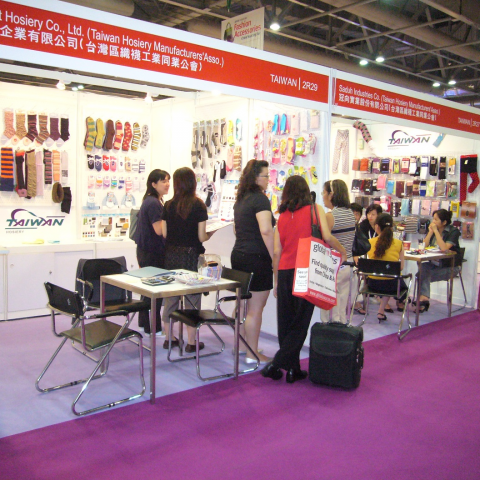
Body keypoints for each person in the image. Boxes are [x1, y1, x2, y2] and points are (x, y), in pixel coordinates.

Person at [262, 176, 347, 383]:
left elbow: (277, 252)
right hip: (306, 270)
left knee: (286, 321)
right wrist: (342, 251)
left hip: (284, 272)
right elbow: (327, 237)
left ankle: (293, 369)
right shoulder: (315, 210)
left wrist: (276, 281)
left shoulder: (281, 216)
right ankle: (277, 364)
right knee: (300, 321)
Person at [161, 167, 214, 352]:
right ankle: (192, 342)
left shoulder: (168, 205)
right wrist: (211, 233)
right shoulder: (199, 205)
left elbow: (165, 234)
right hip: (191, 256)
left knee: (171, 298)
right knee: (192, 299)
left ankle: (169, 339)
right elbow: (201, 237)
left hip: (171, 256)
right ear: (193, 183)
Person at [231, 159, 274, 365]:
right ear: (256, 178)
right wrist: (275, 256)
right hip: (257, 257)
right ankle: (252, 353)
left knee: (242, 305)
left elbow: (236, 229)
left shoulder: (241, 199)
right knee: (255, 308)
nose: (268, 179)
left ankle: (241, 346)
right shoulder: (260, 200)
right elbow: (266, 230)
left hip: (239, 254)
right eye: (266, 176)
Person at [133, 169, 170, 336]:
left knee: (147, 290)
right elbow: (159, 230)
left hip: (146, 251)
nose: (167, 184)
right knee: (155, 290)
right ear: (153, 184)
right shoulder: (154, 203)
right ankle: (154, 328)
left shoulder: (150, 200)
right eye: (163, 181)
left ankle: (144, 323)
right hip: (152, 253)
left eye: (168, 181)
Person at [320, 179, 356, 323]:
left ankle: (331, 329)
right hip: (348, 263)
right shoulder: (350, 213)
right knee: (342, 300)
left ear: (331, 194)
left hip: (333, 263)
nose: (322, 195)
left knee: (330, 302)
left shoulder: (330, 216)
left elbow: (326, 239)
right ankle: (341, 327)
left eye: (324, 192)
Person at [416, 209, 461, 313]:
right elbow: (424, 246)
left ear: (444, 222)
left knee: (422, 274)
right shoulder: (433, 230)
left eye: (436, 219)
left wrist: (436, 232)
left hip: (450, 267)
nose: (433, 222)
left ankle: (423, 299)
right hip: (434, 264)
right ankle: (423, 299)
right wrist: (430, 232)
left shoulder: (453, 231)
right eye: (433, 219)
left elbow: (444, 248)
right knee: (422, 269)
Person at [366, 213, 408, 321]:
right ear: (392, 227)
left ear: (377, 226)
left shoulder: (369, 242)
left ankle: (381, 311)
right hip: (392, 286)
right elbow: (401, 267)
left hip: (372, 284)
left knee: (386, 277)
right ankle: (383, 310)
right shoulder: (398, 243)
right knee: (391, 277)